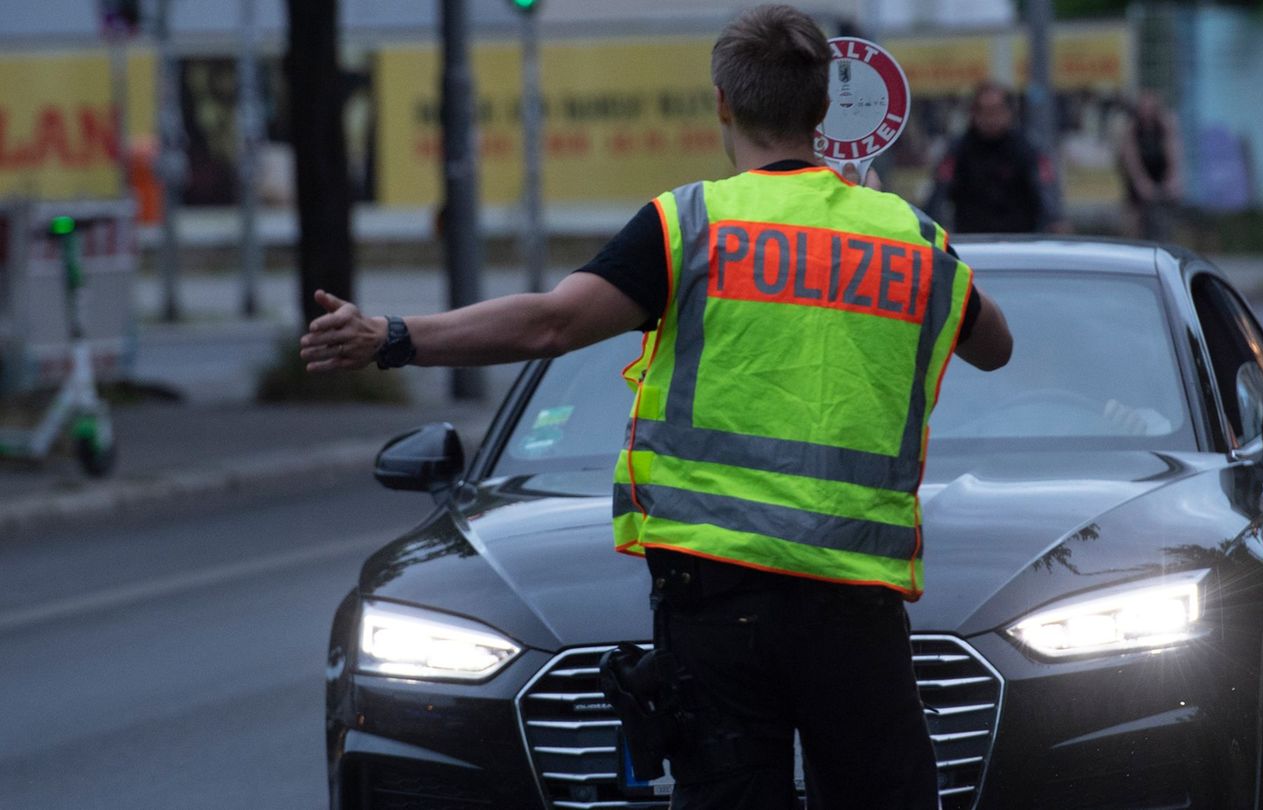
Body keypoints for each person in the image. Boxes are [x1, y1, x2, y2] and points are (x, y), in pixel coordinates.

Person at [299, 6, 1012, 808]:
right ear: (823, 112)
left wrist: (393, 335)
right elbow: (994, 345)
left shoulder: (690, 225)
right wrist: (886, 214)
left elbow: (551, 323)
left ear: (721, 104)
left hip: (716, 604)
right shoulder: (910, 238)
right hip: (855, 607)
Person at [942, 81, 1048, 234]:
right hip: (972, 238)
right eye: (984, 112)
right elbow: (941, 190)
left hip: (1020, 238)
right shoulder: (958, 150)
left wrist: (1054, 221)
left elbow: (1044, 189)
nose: (990, 119)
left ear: (1009, 112)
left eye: (995, 111)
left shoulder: (1026, 148)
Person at [1118, 89, 1182, 240]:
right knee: (1135, 215)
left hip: (1158, 171)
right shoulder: (1133, 128)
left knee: (1166, 211)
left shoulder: (1164, 124)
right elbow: (1131, 159)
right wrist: (1141, 182)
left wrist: (1172, 178)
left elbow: (1172, 152)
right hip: (1139, 174)